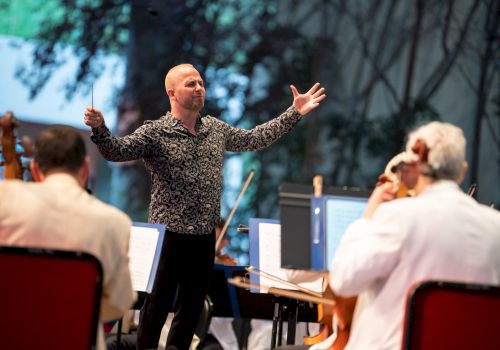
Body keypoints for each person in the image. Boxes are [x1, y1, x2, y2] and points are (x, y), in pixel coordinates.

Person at [83, 63, 326, 350]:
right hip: (168, 236)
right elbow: (117, 150)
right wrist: (100, 128)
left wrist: (293, 112)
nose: (199, 88)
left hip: (203, 237)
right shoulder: (156, 132)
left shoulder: (215, 129)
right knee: (155, 311)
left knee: (190, 314)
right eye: (191, 84)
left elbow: (255, 138)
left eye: (200, 83)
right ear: (172, 94)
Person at [328, 121, 500, 350]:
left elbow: (344, 281)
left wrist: (368, 216)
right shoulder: (495, 225)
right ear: (462, 171)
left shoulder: (399, 216)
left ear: (413, 165)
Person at [0, 125, 136, 350]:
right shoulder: (116, 223)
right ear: (85, 169)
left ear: (34, 169)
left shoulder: (4, 199)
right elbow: (118, 304)